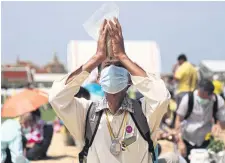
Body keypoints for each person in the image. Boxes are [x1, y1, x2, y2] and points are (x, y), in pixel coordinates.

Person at [49, 18, 170, 163]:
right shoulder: (86, 114)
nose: (112, 70)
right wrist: (97, 57)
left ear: (130, 78)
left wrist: (123, 56)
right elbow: (56, 98)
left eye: (119, 65)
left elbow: (161, 96)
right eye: (107, 66)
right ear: (99, 78)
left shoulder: (144, 112)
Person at [174, 79, 225, 163]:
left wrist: (218, 124)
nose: (204, 98)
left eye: (207, 96)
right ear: (198, 90)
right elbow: (178, 120)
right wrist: (180, 142)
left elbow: (223, 120)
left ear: (211, 93)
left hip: (206, 141)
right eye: (201, 95)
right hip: (187, 140)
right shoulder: (188, 99)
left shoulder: (216, 100)